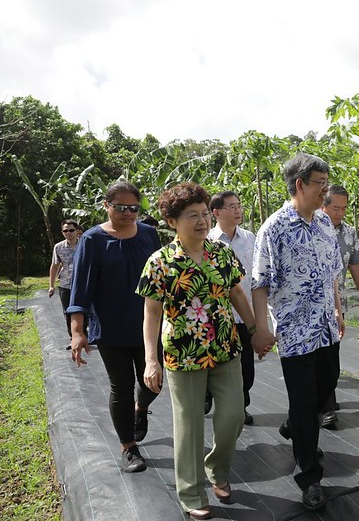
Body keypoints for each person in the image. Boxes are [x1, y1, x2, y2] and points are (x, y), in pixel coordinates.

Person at [138, 183, 258, 520]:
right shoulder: (160, 262)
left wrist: (254, 330)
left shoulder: (221, 253)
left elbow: (236, 293)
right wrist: (151, 360)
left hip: (225, 347)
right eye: (192, 215)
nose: (202, 221)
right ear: (172, 222)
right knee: (189, 427)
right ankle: (191, 493)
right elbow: (151, 313)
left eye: (205, 214)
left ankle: (216, 468)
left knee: (233, 416)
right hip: (184, 354)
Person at [252, 152, 344, 512]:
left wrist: (337, 311)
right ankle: (309, 477)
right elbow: (260, 282)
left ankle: (295, 424)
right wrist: (262, 328)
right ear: (300, 185)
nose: (325, 190)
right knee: (305, 403)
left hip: (326, 328)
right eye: (320, 183)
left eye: (326, 183)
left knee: (329, 383)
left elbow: (332, 273)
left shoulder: (324, 223)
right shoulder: (274, 228)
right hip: (295, 332)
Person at [67, 181, 162, 473]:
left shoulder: (148, 234)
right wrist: (77, 331)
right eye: (122, 208)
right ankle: (128, 448)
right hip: (111, 327)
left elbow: (164, 276)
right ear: (106, 206)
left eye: (134, 208)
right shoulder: (93, 240)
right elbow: (80, 288)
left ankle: (140, 409)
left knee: (153, 382)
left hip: (150, 325)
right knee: (121, 387)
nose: (129, 213)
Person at [205, 190, 257, 425]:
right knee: (215, 362)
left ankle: (241, 405)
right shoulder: (207, 240)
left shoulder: (250, 238)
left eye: (239, 205)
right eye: (231, 207)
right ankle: (208, 396)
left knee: (246, 366)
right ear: (216, 212)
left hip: (244, 313)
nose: (237, 210)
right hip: (216, 315)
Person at [319, 185, 359, 427]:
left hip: (337, 304)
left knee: (331, 357)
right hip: (312, 304)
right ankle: (326, 406)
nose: (340, 213)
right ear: (323, 206)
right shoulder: (312, 228)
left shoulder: (348, 233)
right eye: (335, 208)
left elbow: (356, 265)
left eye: (344, 208)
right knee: (318, 357)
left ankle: (326, 397)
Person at [48, 219, 81, 340]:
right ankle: (73, 337)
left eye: (71, 230)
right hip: (65, 284)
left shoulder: (85, 244)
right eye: (65, 231)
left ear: (77, 231)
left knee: (83, 310)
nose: (68, 233)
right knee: (68, 311)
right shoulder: (59, 247)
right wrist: (51, 285)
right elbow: (55, 265)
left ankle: (83, 334)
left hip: (82, 283)